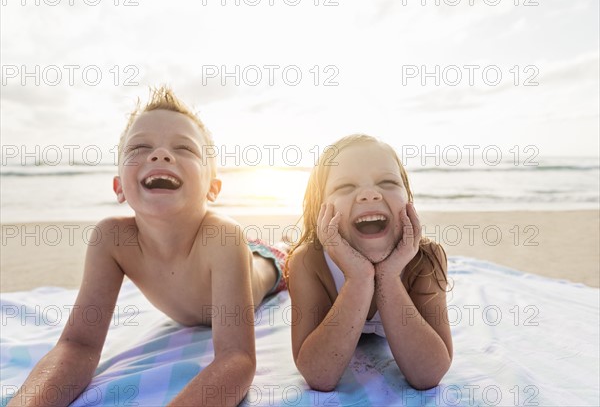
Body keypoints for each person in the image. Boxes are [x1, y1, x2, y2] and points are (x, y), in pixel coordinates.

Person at [8, 86, 286, 407]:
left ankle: (283, 246)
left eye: (184, 148)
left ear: (213, 188)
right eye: (140, 147)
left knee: (273, 257)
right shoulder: (112, 240)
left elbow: (236, 358)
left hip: (264, 261)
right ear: (118, 187)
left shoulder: (223, 238)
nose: (160, 155)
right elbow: (78, 345)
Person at [285, 134, 453, 391]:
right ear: (321, 209)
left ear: (408, 198)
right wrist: (359, 279)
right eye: (344, 187)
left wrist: (389, 275)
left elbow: (428, 374)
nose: (369, 194)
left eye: (387, 182)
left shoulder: (425, 259)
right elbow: (319, 375)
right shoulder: (310, 262)